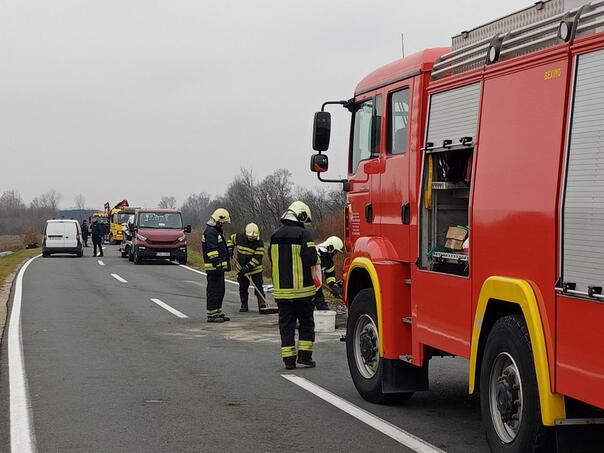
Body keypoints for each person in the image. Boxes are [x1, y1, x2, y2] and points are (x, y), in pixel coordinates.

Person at [270, 201, 319, 370]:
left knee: (286, 325)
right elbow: (311, 259)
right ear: (301, 216)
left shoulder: (274, 235)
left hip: (282, 292)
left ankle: (288, 360)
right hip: (302, 291)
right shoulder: (304, 234)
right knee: (306, 323)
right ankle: (305, 357)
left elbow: (271, 259)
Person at [202, 208, 231, 323]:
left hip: (218, 268)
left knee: (220, 290)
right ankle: (211, 314)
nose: (224, 225)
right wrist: (217, 263)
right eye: (223, 222)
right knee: (213, 291)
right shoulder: (210, 232)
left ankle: (217, 311)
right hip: (214, 268)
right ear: (219, 220)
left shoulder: (215, 230)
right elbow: (211, 250)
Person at [230, 223, 267, 313]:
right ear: (246, 233)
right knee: (243, 287)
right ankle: (244, 304)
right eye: (250, 236)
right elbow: (230, 240)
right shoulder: (239, 237)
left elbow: (257, 258)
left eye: (254, 237)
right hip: (241, 268)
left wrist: (247, 267)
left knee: (258, 286)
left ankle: (262, 304)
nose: (252, 238)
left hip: (255, 269)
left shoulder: (259, 243)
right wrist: (229, 248)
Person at [313, 236, 344, 310]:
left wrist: (333, 286)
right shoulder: (316, 253)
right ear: (330, 248)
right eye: (335, 251)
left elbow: (330, 274)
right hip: (308, 283)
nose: (335, 253)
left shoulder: (329, 260)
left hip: (315, 283)